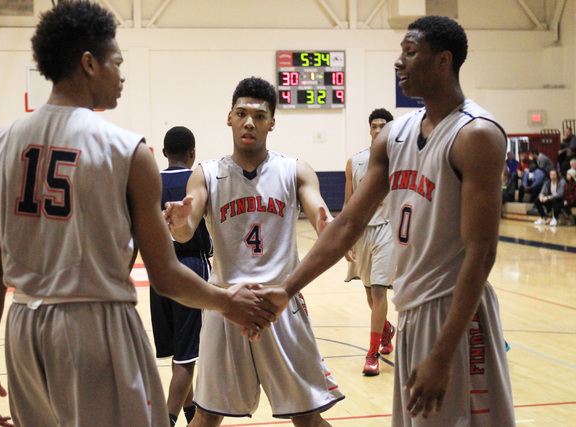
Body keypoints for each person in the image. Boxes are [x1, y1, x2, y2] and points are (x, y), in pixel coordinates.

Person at [0, 3, 278, 427]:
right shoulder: (126, 150)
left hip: (23, 331)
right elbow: (166, 276)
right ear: (89, 64)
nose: (122, 73)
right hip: (96, 326)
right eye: (117, 62)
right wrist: (228, 302)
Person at [266, 16, 515, 426]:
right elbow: (348, 225)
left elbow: (481, 253)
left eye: (410, 52)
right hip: (412, 311)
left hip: (457, 315)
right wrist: (285, 291)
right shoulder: (394, 137)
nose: (398, 62)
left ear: (443, 61)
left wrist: (442, 353)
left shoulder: (476, 135)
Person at [164, 76, 345, 427]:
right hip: (225, 302)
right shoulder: (207, 174)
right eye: (242, 113)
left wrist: (325, 224)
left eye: (260, 116)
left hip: (279, 302)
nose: (250, 122)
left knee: (307, 416)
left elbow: (318, 210)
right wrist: (181, 222)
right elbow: (187, 232)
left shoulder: (295, 170)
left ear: (272, 123)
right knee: (207, 414)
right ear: (229, 118)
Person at [153, 126, 210, 427]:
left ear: (164, 153)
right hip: (191, 268)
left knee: (178, 353)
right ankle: (165, 421)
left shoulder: (150, 182)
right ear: (193, 153)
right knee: (186, 358)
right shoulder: (197, 180)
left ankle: (192, 419)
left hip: (158, 272)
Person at [344, 108, 396, 376]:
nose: (377, 130)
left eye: (382, 125)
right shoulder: (356, 161)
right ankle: (386, 329)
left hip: (389, 229)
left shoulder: (400, 158)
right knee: (369, 294)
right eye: (373, 126)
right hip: (363, 231)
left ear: (390, 129)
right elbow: (349, 204)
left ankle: (372, 352)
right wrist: (346, 240)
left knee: (378, 291)